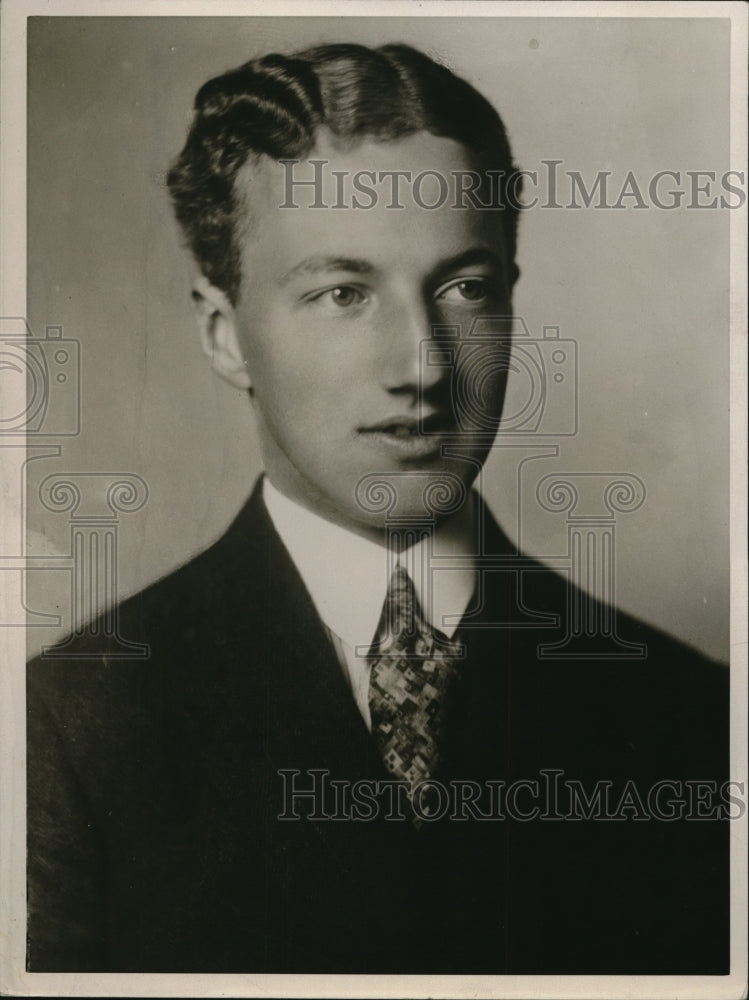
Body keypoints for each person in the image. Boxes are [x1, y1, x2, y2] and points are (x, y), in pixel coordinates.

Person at [26, 42, 730, 975]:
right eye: (341, 293)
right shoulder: (67, 726)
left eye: (464, 289)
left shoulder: (694, 716)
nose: (424, 367)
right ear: (222, 334)